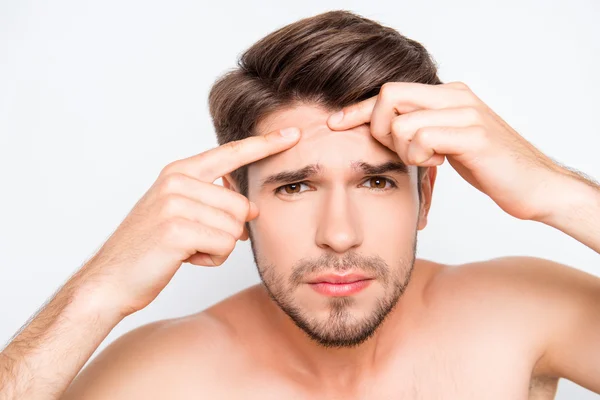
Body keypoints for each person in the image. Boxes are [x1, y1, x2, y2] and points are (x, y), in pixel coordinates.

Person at [1, 10, 599, 400]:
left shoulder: (522, 313)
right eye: (294, 186)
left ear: (425, 198)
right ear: (236, 197)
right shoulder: (162, 376)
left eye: (377, 183)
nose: (339, 236)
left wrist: (555, 192)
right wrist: (96, 293)